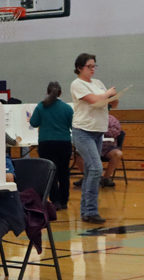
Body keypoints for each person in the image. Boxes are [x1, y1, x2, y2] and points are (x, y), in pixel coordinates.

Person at [70, 53, 118, 224]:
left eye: (94, 66)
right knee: (97, 169)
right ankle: (90, 210)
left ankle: (86, 211)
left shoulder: (98, 83)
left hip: (98, 131)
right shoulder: (77, 84)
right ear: (79, 68)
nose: (92, 69)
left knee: (92, 170)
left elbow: (112, 103)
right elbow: (93, 100)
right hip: (83, 131)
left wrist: (113, 97)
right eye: (89, 66)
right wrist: (107, 95)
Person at [29, 81, 73, 210]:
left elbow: (33, 122)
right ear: (60, 93)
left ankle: (55, 201)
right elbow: (72, 125)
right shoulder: (67, 108)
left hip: (46, 143)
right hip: (64, 143)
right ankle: (64, 200)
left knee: (51, 173)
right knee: (64, 172)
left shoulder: (41, 106)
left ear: (47, 92)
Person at [73, 114, 124, 189]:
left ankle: (105, 179)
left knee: (118, 154)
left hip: (108, 148)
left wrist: (99, 131)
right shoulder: (87, 118)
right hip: (90, 147)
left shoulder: (112, 119)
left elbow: (116, 132)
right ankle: (88, 176)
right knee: (77, 154)